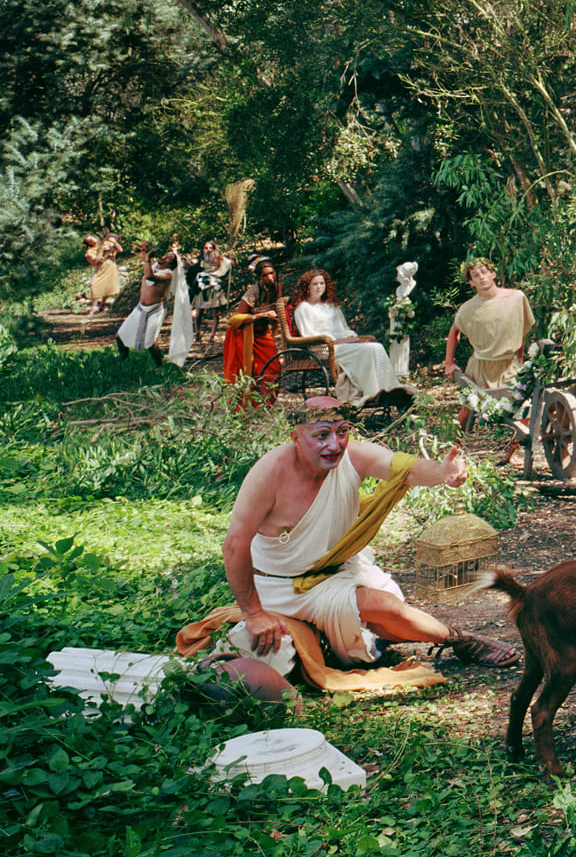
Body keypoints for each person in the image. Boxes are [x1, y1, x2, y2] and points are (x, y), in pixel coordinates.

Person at [221, 401, 520, 670]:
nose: (334, 445)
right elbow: (234, 545)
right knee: (385, 607)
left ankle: (348, 629)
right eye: (321, 435)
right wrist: (254, 613)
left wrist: (443, 473)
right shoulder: (270, 473)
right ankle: (460, 640)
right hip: (285, 586)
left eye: (342, 432)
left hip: (336, 567)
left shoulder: (354, 456)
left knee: (389, 616)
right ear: (296, 438)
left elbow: (409, 470)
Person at [290, 268, 407, 407]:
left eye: (321, 283)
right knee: (369, 350)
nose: (319, 287)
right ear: (307, 287)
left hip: (342, 345)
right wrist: (341, 341)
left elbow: (343, 328)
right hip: (322, 349)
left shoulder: (331, 305)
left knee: (376, 347)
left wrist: (351, 337)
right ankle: (372, 392)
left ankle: (388, 389)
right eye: (314, 284)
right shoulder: (303, 308)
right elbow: (310, 337)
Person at [442, 257, 535, 428]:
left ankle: (508, 453)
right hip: (480, 369)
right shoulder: (468, 308)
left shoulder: (516, 298)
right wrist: (449, 363)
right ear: (471, 282)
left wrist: (520, 356)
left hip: (508, 367)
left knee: (520, 413)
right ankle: (452, 449)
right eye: (476, 275)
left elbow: (520, 328)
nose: (481, 277)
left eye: (484, 272)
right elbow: (454, 331)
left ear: (493, 273)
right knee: (466, 411)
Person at [222, 258, 283, 408]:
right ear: (259, 278)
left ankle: (266, 404)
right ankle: (244, 406)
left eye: (272, 273)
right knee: (245, 371)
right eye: (265, 275)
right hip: (244, 334)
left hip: (262, 333)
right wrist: (261, 315)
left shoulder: (278, 287)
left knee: (273, 367)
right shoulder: (253, 292)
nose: (270, 277)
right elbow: (235, 319)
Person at [116, 240, 185, 360]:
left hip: (155, 310)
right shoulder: (152, 265)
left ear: (171, 265)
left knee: (150, 342)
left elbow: (149, 276)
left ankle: (159, 366)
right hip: (140, 308)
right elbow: (136, 251)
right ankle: (123, 359)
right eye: (167, 255)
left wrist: (147, 259)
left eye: (170, 258)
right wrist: (141, 247)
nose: (166, 257)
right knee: (119, 336)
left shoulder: (168, 274)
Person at [192, 241, 234, 328]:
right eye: (206, 248)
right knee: (199, 312)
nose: (208, 250)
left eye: (210, 248)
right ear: (203, 250)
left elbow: (231, 264)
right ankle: (198, 334)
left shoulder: (220, 259)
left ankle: (212, 337)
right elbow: (192, 271)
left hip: (214, 287)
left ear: (214, 249)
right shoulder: (199, 260)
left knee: (215, 313)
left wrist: (232, 259)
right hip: (201, 287)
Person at [83, 233, 122, 316]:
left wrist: (114, 242)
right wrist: (103, 249)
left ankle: (102, 304)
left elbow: (120, 250)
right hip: (101, 268)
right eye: (90, 240)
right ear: (88, 243)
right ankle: (93, 307)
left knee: (108, 286)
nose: (92, 239)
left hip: (110, 266)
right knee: (94, 284)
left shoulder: (106, 243)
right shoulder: (90, 251)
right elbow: (97, 261)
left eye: (92, 237)